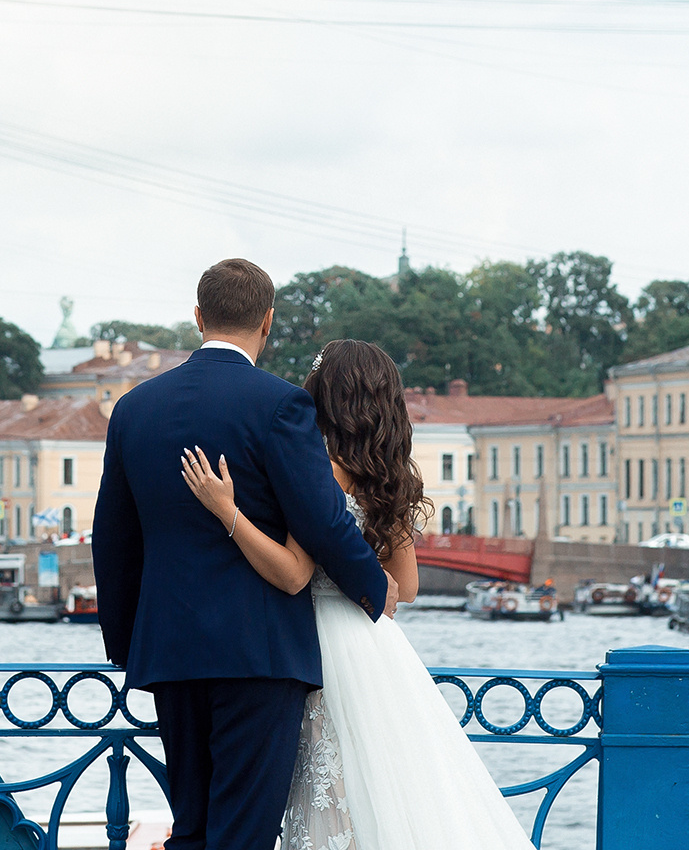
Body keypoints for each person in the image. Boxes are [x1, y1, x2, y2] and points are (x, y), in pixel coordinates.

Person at [180, 336, 536, 850]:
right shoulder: (389, 475)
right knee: (385, 789)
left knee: (324, 793)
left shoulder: (315, 470)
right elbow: (406, 588)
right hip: (375, 646)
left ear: (323, 393)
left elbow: (295, 571)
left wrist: (226, 511)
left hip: (314, 642)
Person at [93, 259, 388, 850]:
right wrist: (373, 588)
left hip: (171, 652)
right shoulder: (280, 404)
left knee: (192, 828)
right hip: (259, 653)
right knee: (243, 833)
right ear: (268, 321)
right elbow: (322, 520)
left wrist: (127, 644)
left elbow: (113, 540)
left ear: (198, 316)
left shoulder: (134, 408)